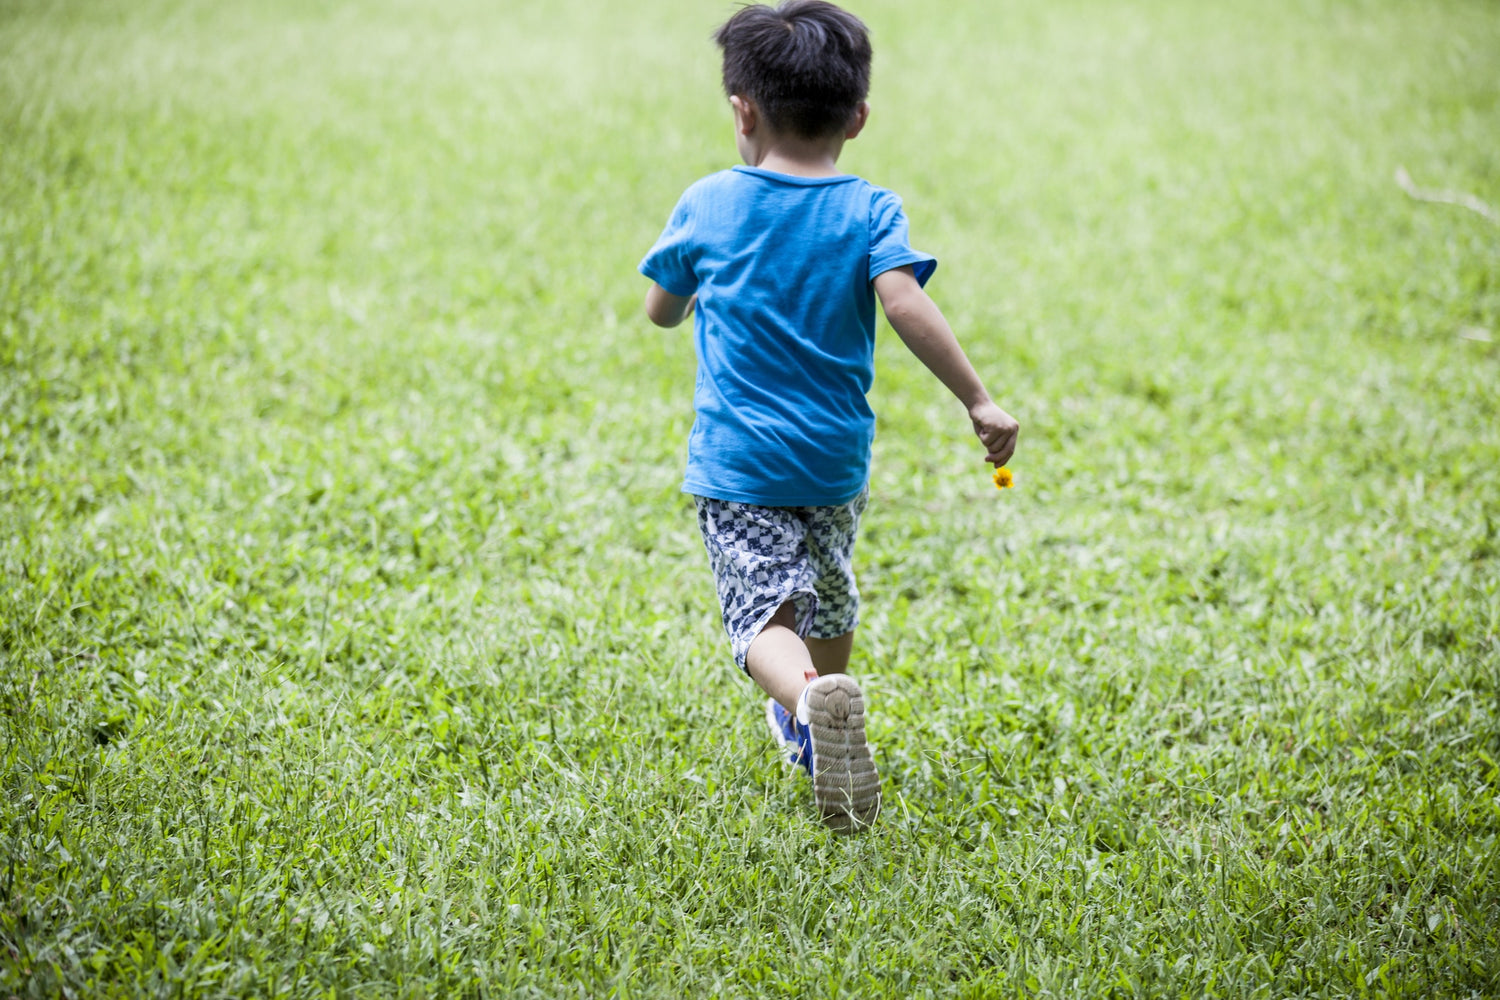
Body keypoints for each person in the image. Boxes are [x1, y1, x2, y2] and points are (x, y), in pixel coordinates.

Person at [638, 0, 1018, 832]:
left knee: (761, 614)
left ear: (742, 111)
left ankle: (807, 704)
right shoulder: (871, 209)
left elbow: (662, 310)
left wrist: (689, 292)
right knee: (830, 598)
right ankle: (824, 709)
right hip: (835, 462)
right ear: (858, 116)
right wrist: (978, 400)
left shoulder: (707, 203)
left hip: (740, 468)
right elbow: (906, 304)